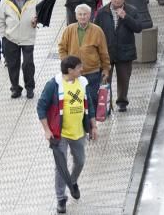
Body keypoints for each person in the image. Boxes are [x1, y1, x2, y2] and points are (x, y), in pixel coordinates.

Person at [36, 55, 98, 214]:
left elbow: (89, 104)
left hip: (78, 132)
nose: (82, 70)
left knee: (80, 161)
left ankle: (72, 182)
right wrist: (47, 130)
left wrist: (93, 125)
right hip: (60, 134)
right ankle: (61, 198)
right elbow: (41, 107)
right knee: (61, 167)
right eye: (79, 68)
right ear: (70, 70)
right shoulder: (53, 85)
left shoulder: (82, 83)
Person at [95, 0, 143, 113]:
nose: (117, 0)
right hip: (107, 53)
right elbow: (96, 32)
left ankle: (122, 102)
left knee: (123, 79)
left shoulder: (131, 10)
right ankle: (106, 105)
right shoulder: (102, 12)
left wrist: (125, 17)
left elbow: (138, 28)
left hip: (125, 52)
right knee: (105, 80)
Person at [0, 0, 38, 99]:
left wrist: (37, 21)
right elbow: (0, 20)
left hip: (28, 37)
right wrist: (3, 37)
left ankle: (30, 88)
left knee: (28, 64)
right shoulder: (5, 1)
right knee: (12, 65)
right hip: (11, 38)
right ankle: (15, 88)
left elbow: (40, 14)